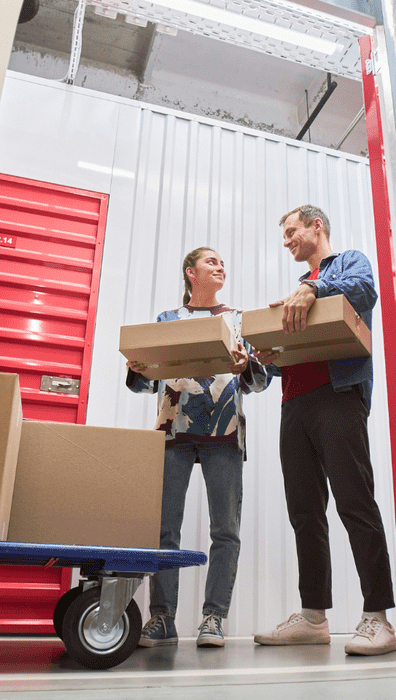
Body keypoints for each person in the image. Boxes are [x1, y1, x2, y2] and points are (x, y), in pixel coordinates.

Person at [252, 205, 396, 656]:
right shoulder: (299, 292)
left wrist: (312, 287)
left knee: (355, 502)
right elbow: (289, 356)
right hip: (293, 402)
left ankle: (378, 619)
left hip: (338, 397)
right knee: (304, 512)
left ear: (318, 227)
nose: (286, 241)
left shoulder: (347, 263)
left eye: (292, 231)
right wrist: (263, 358)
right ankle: (314, 616)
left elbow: (364, 291)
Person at [126, 246, 271, 649]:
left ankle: (214, 618)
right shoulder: (167, 320)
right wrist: (137, 369)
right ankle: (162, 618)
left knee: (225, 531)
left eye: (223, 262)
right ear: (191, 272)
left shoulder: (238, 320)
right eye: (211, 262)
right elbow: (147, 382)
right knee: (163, 530)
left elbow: (260, 382)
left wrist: (247, 368)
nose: (221, 266)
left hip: (224, 433)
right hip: (174, 432)